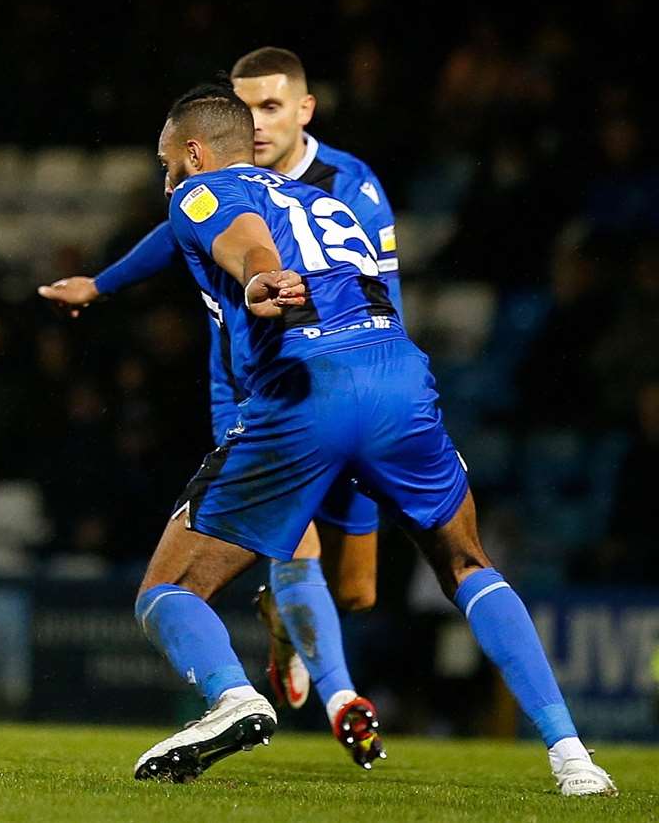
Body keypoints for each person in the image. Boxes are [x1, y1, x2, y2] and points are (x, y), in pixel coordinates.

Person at [128, 83, 614, 798]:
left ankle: (234, 697)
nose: (166, 180)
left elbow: (243, 240)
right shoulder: (331, 201)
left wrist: (261, 278)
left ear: (196, 153)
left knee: (166, 590)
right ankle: (574, 757)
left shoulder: (202, 193)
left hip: (307, 389)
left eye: (168, 163)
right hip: (398, 382)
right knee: (465, 564)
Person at [39, 47, 396, 766]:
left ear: (304, 110)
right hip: (265, 395)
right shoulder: (218, 194)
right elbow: (208, 236)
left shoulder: (346, 187)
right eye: (246, 108)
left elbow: (273, 255)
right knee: (295, 546)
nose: (259, 123)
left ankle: (267, 653)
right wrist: (103, 285)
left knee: (355, 591)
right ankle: (340, 697)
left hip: (344, 387)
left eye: (270, 107)